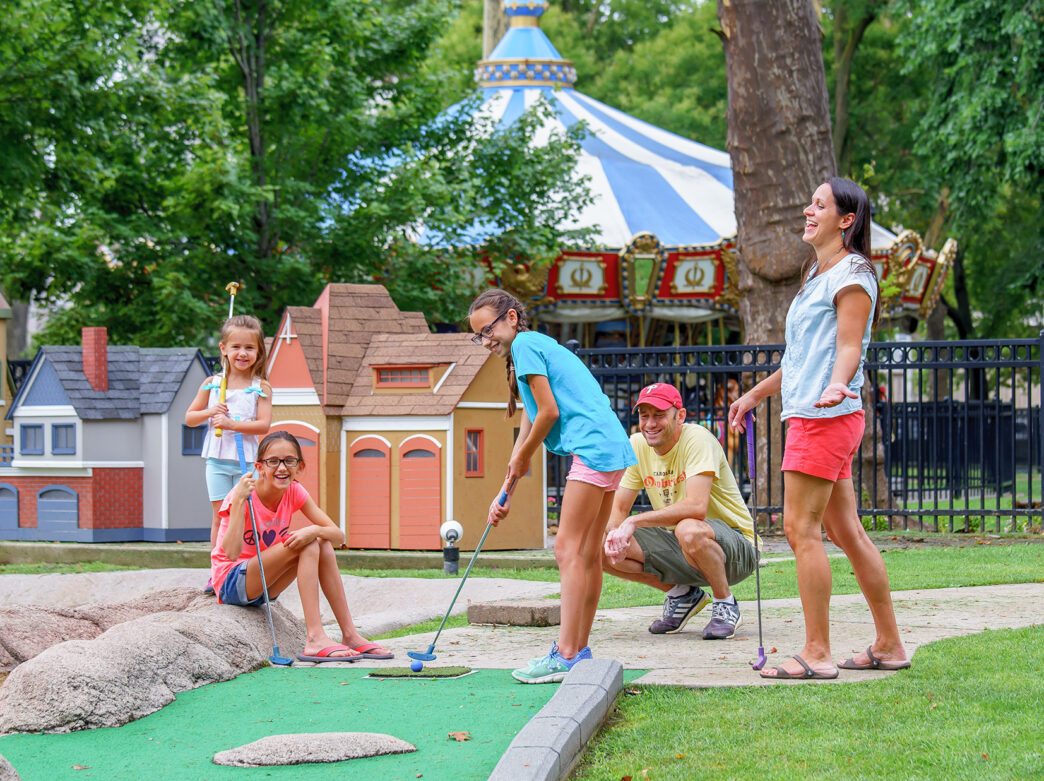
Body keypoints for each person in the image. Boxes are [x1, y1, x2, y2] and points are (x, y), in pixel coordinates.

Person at [728, 177, 910, 679]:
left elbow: (849, 346)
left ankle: (816, 652)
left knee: (799, 529)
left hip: (824, 417)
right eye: (809, 202)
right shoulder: (817, 272)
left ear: (845, 220)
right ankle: (889, 645)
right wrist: (754, 395)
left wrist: (836, 384)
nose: (808, 210)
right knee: (843, 530)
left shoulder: (852, 274)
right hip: (819, 413)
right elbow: (802, 358)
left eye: (819, 204)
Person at [468, 289, 636, 684]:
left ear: (511, 318)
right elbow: (531, 420)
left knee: (567, 547)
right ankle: (578, 650)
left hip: (591, 447)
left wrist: (523, 455)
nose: (486, 340)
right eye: (478, 335)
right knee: (588, 552)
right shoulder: (532, 348)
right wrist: (508, 483)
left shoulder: (525, 343)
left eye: (488, 329)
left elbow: (549, 412)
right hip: (611, 445)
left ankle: (566, 653)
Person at [212, 431, 392, 662]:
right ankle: (315, 638)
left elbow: (338, 535)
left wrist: (313, 530)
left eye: (289, 460)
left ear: (300, 466)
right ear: (259, 467)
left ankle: (350, 634)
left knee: (320, 542)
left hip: (265, 587)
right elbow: (231, 553)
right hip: (232, 583)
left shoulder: (294, 491)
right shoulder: (242, 495)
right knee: (307, 545)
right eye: (273, 461)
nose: (282, 468)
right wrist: (238, 502)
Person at [603, 383, 758, 640]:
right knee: (598, 546)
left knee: (689, 528)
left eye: (659, 415)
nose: (650, 424)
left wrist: (634, 522)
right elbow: (618, 509)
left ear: (680, 416)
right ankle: (683, 595)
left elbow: (696, 507)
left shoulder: (697, 439)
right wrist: (614, 537)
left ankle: (725, 604)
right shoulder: (637, 444)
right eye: (644, 416)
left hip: (736, 546)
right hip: (682, 544)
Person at [185, 315, 273, 593]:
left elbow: (264, 424)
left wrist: (232, 424)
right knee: (220, 517)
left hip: (246, 462)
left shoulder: (261, 387)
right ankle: (217, 571)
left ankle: (246, 569)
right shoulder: (213, 384)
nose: (242, 353)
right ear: (223, 348)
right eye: (236, 347)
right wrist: (212, 412)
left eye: (249, 348)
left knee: (245, 516)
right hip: (217, 461)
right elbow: (190, 417)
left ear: (258, 351)